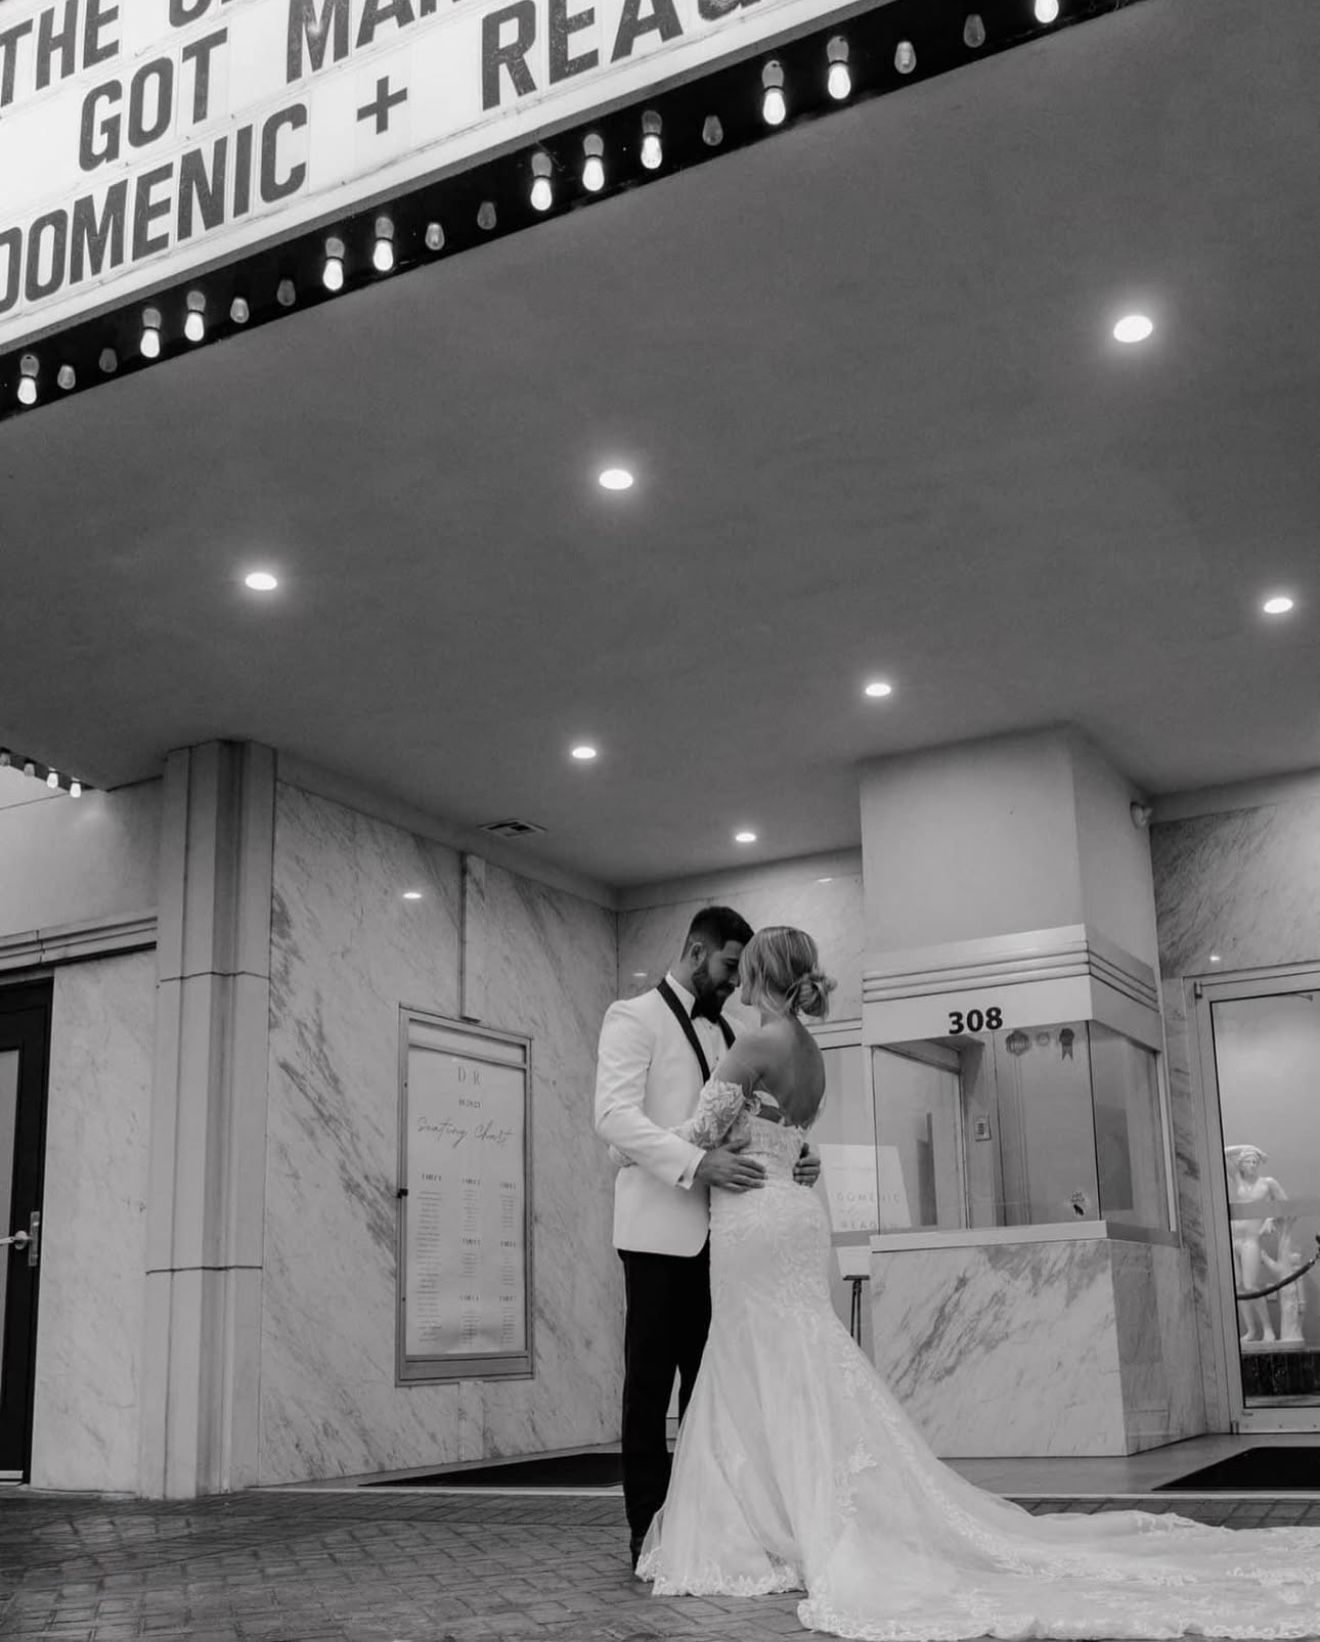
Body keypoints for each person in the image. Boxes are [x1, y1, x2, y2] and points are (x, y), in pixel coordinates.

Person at [637, 924, 1320, 1640]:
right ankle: (799, 1509)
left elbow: (694, 1136)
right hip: (794, 1212)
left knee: (760, 1357)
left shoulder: (754, 1043)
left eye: (744, 969)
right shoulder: (807, 1048)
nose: (737, 978)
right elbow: (790, 1133)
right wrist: (782, 1150)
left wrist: (637, 1147)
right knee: (796, 1357)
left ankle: (772, 1522)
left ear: (759, 973)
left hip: (754, 1219)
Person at [594, 906, 821, 1571]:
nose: (732, 980)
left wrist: (799, 1153)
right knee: (648, 1389)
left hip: (729, 1238)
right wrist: (694, 1163)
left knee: (712, 1390)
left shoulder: (731, 1031)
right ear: (697, 951)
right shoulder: (632, 1017)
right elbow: (612, 1116)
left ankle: (708, 1527)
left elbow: (758, 1119)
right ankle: (648, 1532)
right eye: (727, 965)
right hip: (660, 1233)